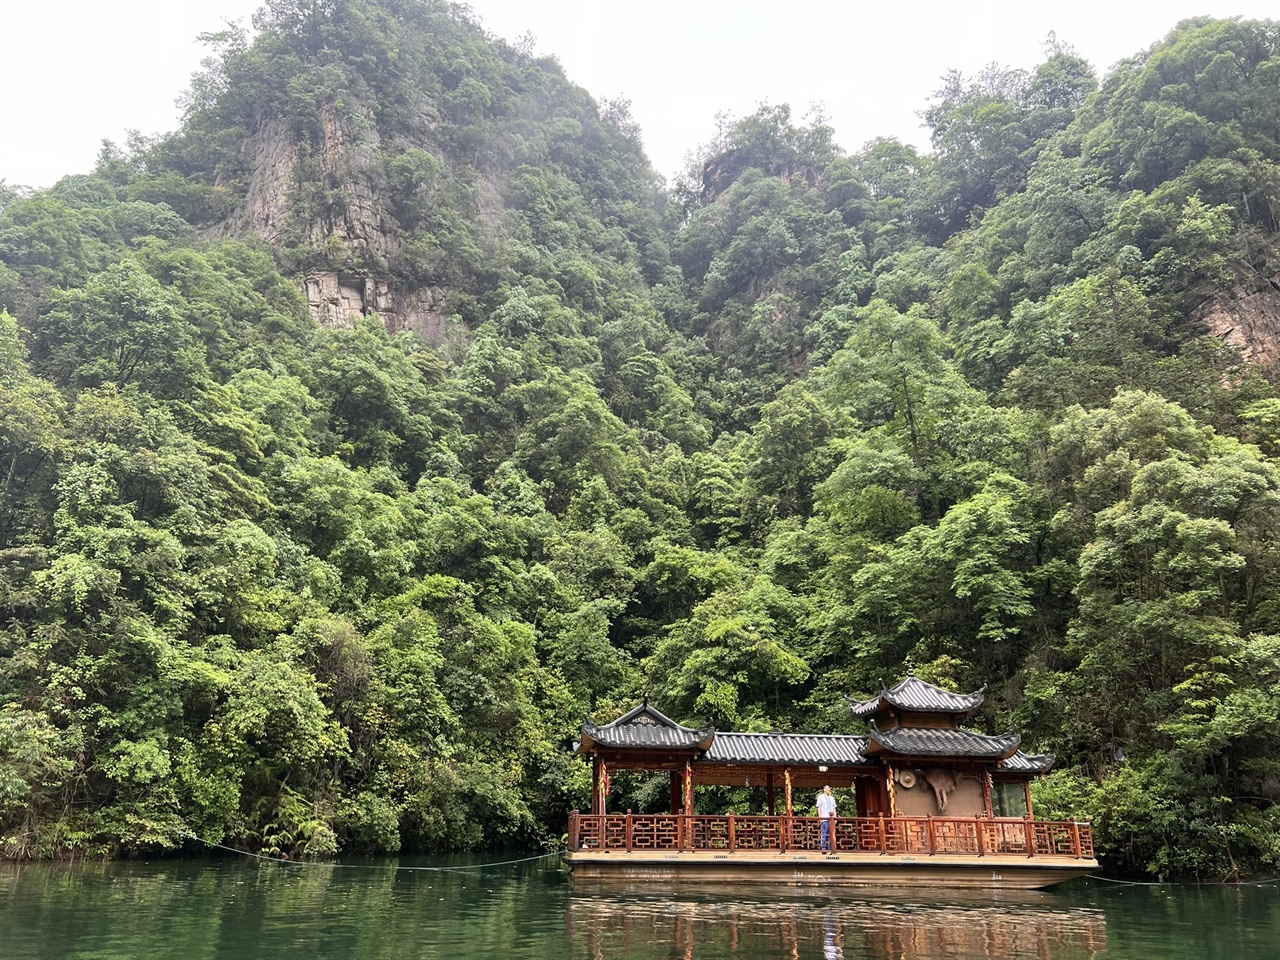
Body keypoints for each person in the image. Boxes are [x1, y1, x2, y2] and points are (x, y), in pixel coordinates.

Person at [816, 784, 837, 853]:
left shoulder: (832, 798)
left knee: (831, 833)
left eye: (829, 788)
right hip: (824, 818)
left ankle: (830, 847)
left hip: (831, 818)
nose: (829, 790)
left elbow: (834, 808)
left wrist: (835, 817)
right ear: (824, 789)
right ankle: (824, 847)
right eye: (828, 788)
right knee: (824, 833)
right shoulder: (820, 797)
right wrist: (820, 818)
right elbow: (819, 807)